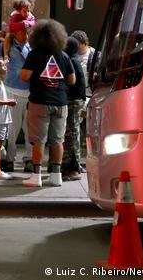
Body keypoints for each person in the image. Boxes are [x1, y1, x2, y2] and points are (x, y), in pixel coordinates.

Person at [20, 19, 77, 188]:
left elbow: (24, 76)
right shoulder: (63, 55)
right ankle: (56, 176)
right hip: (60, 102)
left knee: (39, 141)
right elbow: (72, 80)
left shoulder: (34, 54)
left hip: (39, 102)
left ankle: (36, 176)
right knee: (57, 141)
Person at [0, 26, 32, 173]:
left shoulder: (32, 46)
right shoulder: (6, 46)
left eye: (27, 31)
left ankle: (29, 159)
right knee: (12, 130)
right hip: (12, 90)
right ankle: (10, 159)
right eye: (22, 31)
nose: (25, 34)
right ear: (15, 32)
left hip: (29, 92)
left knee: (30, 130)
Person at [61, 35, 87, 181]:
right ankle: (71, 165)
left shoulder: (71, 61)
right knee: (74, 132)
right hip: (77, 100)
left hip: (73, 101)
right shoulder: (75, 60)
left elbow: (70, 83)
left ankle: (72, 167)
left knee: (71, 133)